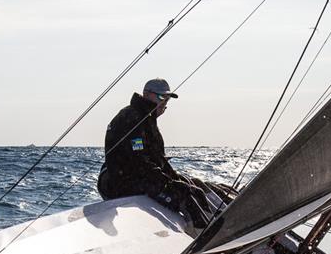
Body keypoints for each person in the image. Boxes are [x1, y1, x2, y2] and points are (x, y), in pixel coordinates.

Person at [97, 78, 234, 228]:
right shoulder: (132, 117)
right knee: (184, 196)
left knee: (196, 186)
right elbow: (139, 162)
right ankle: (204, 238)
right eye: (161, 97)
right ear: (146, 95)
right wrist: (168, 182)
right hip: (121, 183)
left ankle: (231, 214)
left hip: (140, 176)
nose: (165, 102)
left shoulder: (147, 119)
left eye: (167, 99)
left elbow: (157, 160)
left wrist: (174, 179)